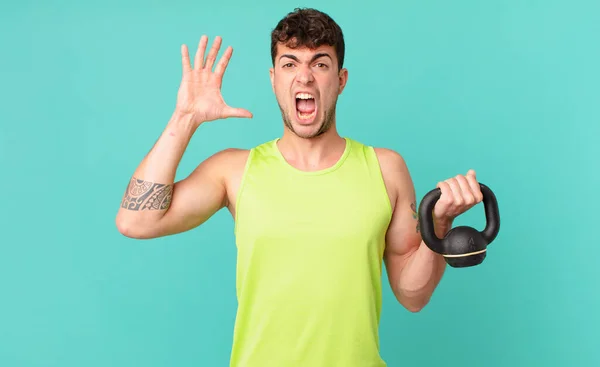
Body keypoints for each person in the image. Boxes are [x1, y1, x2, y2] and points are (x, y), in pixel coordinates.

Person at [115, 7, 484, 367]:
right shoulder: (234, 170)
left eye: (320, 64)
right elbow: (136, 222)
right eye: (290, 64)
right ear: (274, 78)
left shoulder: (386, 169)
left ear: (340, 79)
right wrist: (186, 117)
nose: (304, 77)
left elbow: (412, 295)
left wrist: (438, 227)